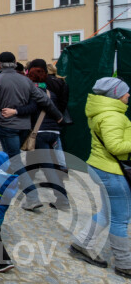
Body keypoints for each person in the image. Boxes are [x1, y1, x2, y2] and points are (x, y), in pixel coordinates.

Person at [0, 51, 62, 211]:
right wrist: (58, 116)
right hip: (24, 127)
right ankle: (1, 187)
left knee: (14, 160)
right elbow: (43, 100)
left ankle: (32, 197)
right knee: (12, 158)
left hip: (7, 125)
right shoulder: (25, 81)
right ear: (14, 63)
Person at [70, 77, 131, 277]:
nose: (128, 95)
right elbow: (115, 147)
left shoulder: (103, 111)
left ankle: (82, 243)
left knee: (107, 213)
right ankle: (124, 263)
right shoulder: (112, 115)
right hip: (111, 171)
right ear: (116, 94)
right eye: (125, 92)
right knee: (120, 219)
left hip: (101, 167)